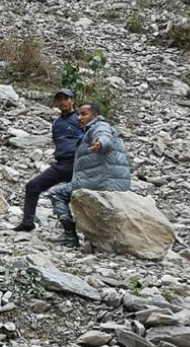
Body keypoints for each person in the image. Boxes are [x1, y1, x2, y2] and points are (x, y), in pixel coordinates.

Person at [47, 103, 130, 247]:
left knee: (56, 194)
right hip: (110, 180)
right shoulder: (91, 130)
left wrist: (100, 143)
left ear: (94, 116)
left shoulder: (99, 126)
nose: (79, 117)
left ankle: (69, 236)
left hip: (103, 181)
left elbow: (104, 137)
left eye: (84, 114)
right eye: (78, 114)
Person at [13, 89, 82, 231]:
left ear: (72, 101)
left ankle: (73, 231)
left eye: (65, 99)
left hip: (77, 164)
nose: (62, 102)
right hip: (60, 164)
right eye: (59, 100)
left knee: (73, 197)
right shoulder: (56, 123)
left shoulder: (79, 119)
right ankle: (27, 223)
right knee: (32, 186)